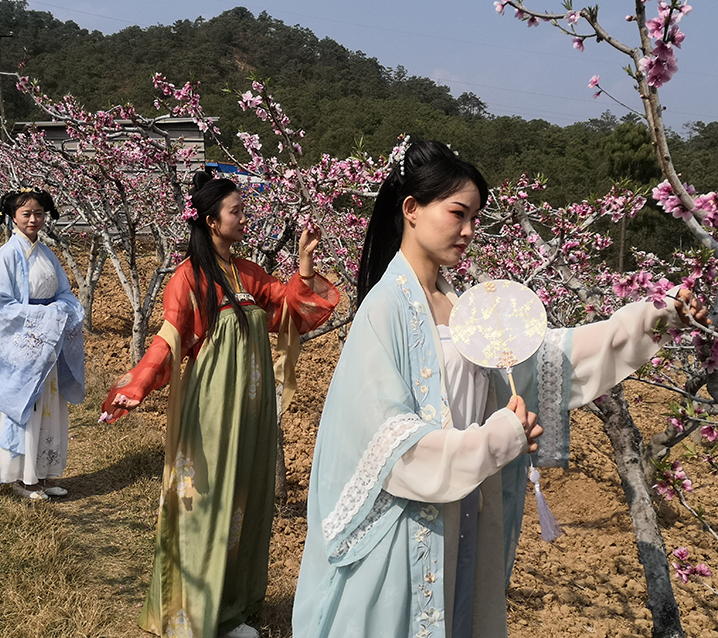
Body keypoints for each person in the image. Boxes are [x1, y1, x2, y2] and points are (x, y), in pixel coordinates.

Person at [292, 139, 706, 638]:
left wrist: (655, 318)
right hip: (409, 522)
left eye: (475, 217)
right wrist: (498, 439)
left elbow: (549, 357)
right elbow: (390, 442)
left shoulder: (460, 307)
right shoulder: (384, 310)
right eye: (457, 213)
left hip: (463, 504)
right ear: (412, 210)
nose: (469, 231)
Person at [100, 171, 340, 638]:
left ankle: (230, 608)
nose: (245, 218)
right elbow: (170, 340)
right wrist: (137, 385)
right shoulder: (188, 278)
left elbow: (289, 311)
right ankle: (190, 613)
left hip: (251, 412)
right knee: (206, 505)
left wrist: (305, 264)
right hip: (212, 411)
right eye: (237, 211)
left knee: (244, 505)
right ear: (211, 220)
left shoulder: (247, 272)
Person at [0, 187, 85, 502]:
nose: (33, 219)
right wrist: (42, 316)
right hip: (25, 347)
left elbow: (64, 292)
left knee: (49, 407)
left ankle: (43, 473)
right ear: (13, 217)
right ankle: (24, 479)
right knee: (28, 407)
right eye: (26, 213)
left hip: (47, 345)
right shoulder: (8, 254)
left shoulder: (46, 253)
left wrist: (64, 310)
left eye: (38, 213)